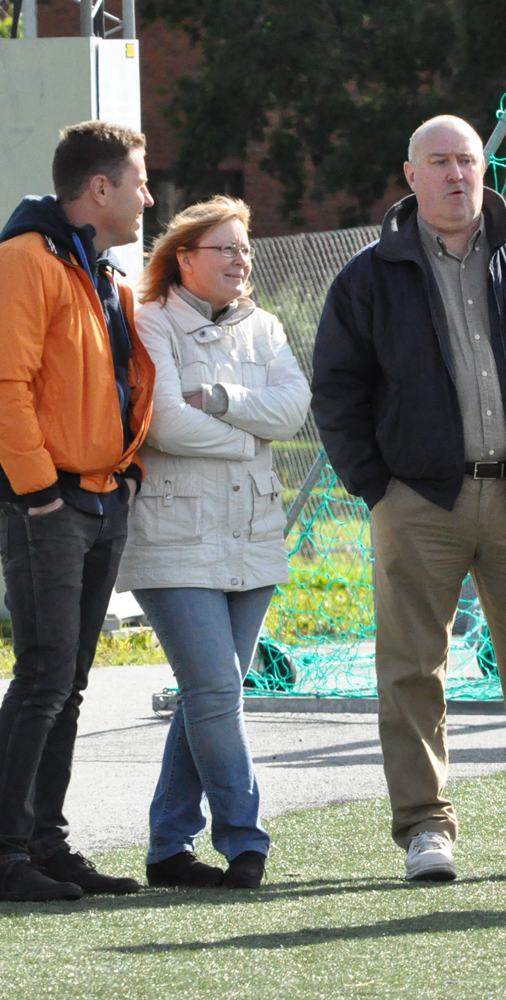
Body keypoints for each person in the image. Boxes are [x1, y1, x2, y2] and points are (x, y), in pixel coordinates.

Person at [311, 115, 506, 882]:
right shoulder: (368, 276)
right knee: (411, 671)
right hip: (418, 502)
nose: (456, 175)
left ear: (484, 170)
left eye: (467, 160)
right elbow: (336, 389)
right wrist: (376, 488)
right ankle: (426, 828)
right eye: (439, 162)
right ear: (410, 175)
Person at [0, 121, 155, 902]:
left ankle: (43, 846)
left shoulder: (101, 274)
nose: (148, 198)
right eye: (140, 181)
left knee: (65, 682)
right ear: (99, 189)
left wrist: (126, 470)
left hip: (99, 496)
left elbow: (116, 384)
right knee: (43, 677)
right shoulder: (21, 263)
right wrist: (42, 493)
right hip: (46, 503)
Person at [118, 196, 311, 890]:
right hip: (174, 538)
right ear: (185, 258)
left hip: (252, 535)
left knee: (210, 695)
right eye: (225, 248)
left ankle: (168, 849)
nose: (240, 260)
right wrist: (248, 438)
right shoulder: (150, 320)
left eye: (244, 249)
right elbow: (165, 422)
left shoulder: (266, 326)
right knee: (217, 688)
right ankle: (244, 840)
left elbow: (294, 410)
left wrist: (224, 401)